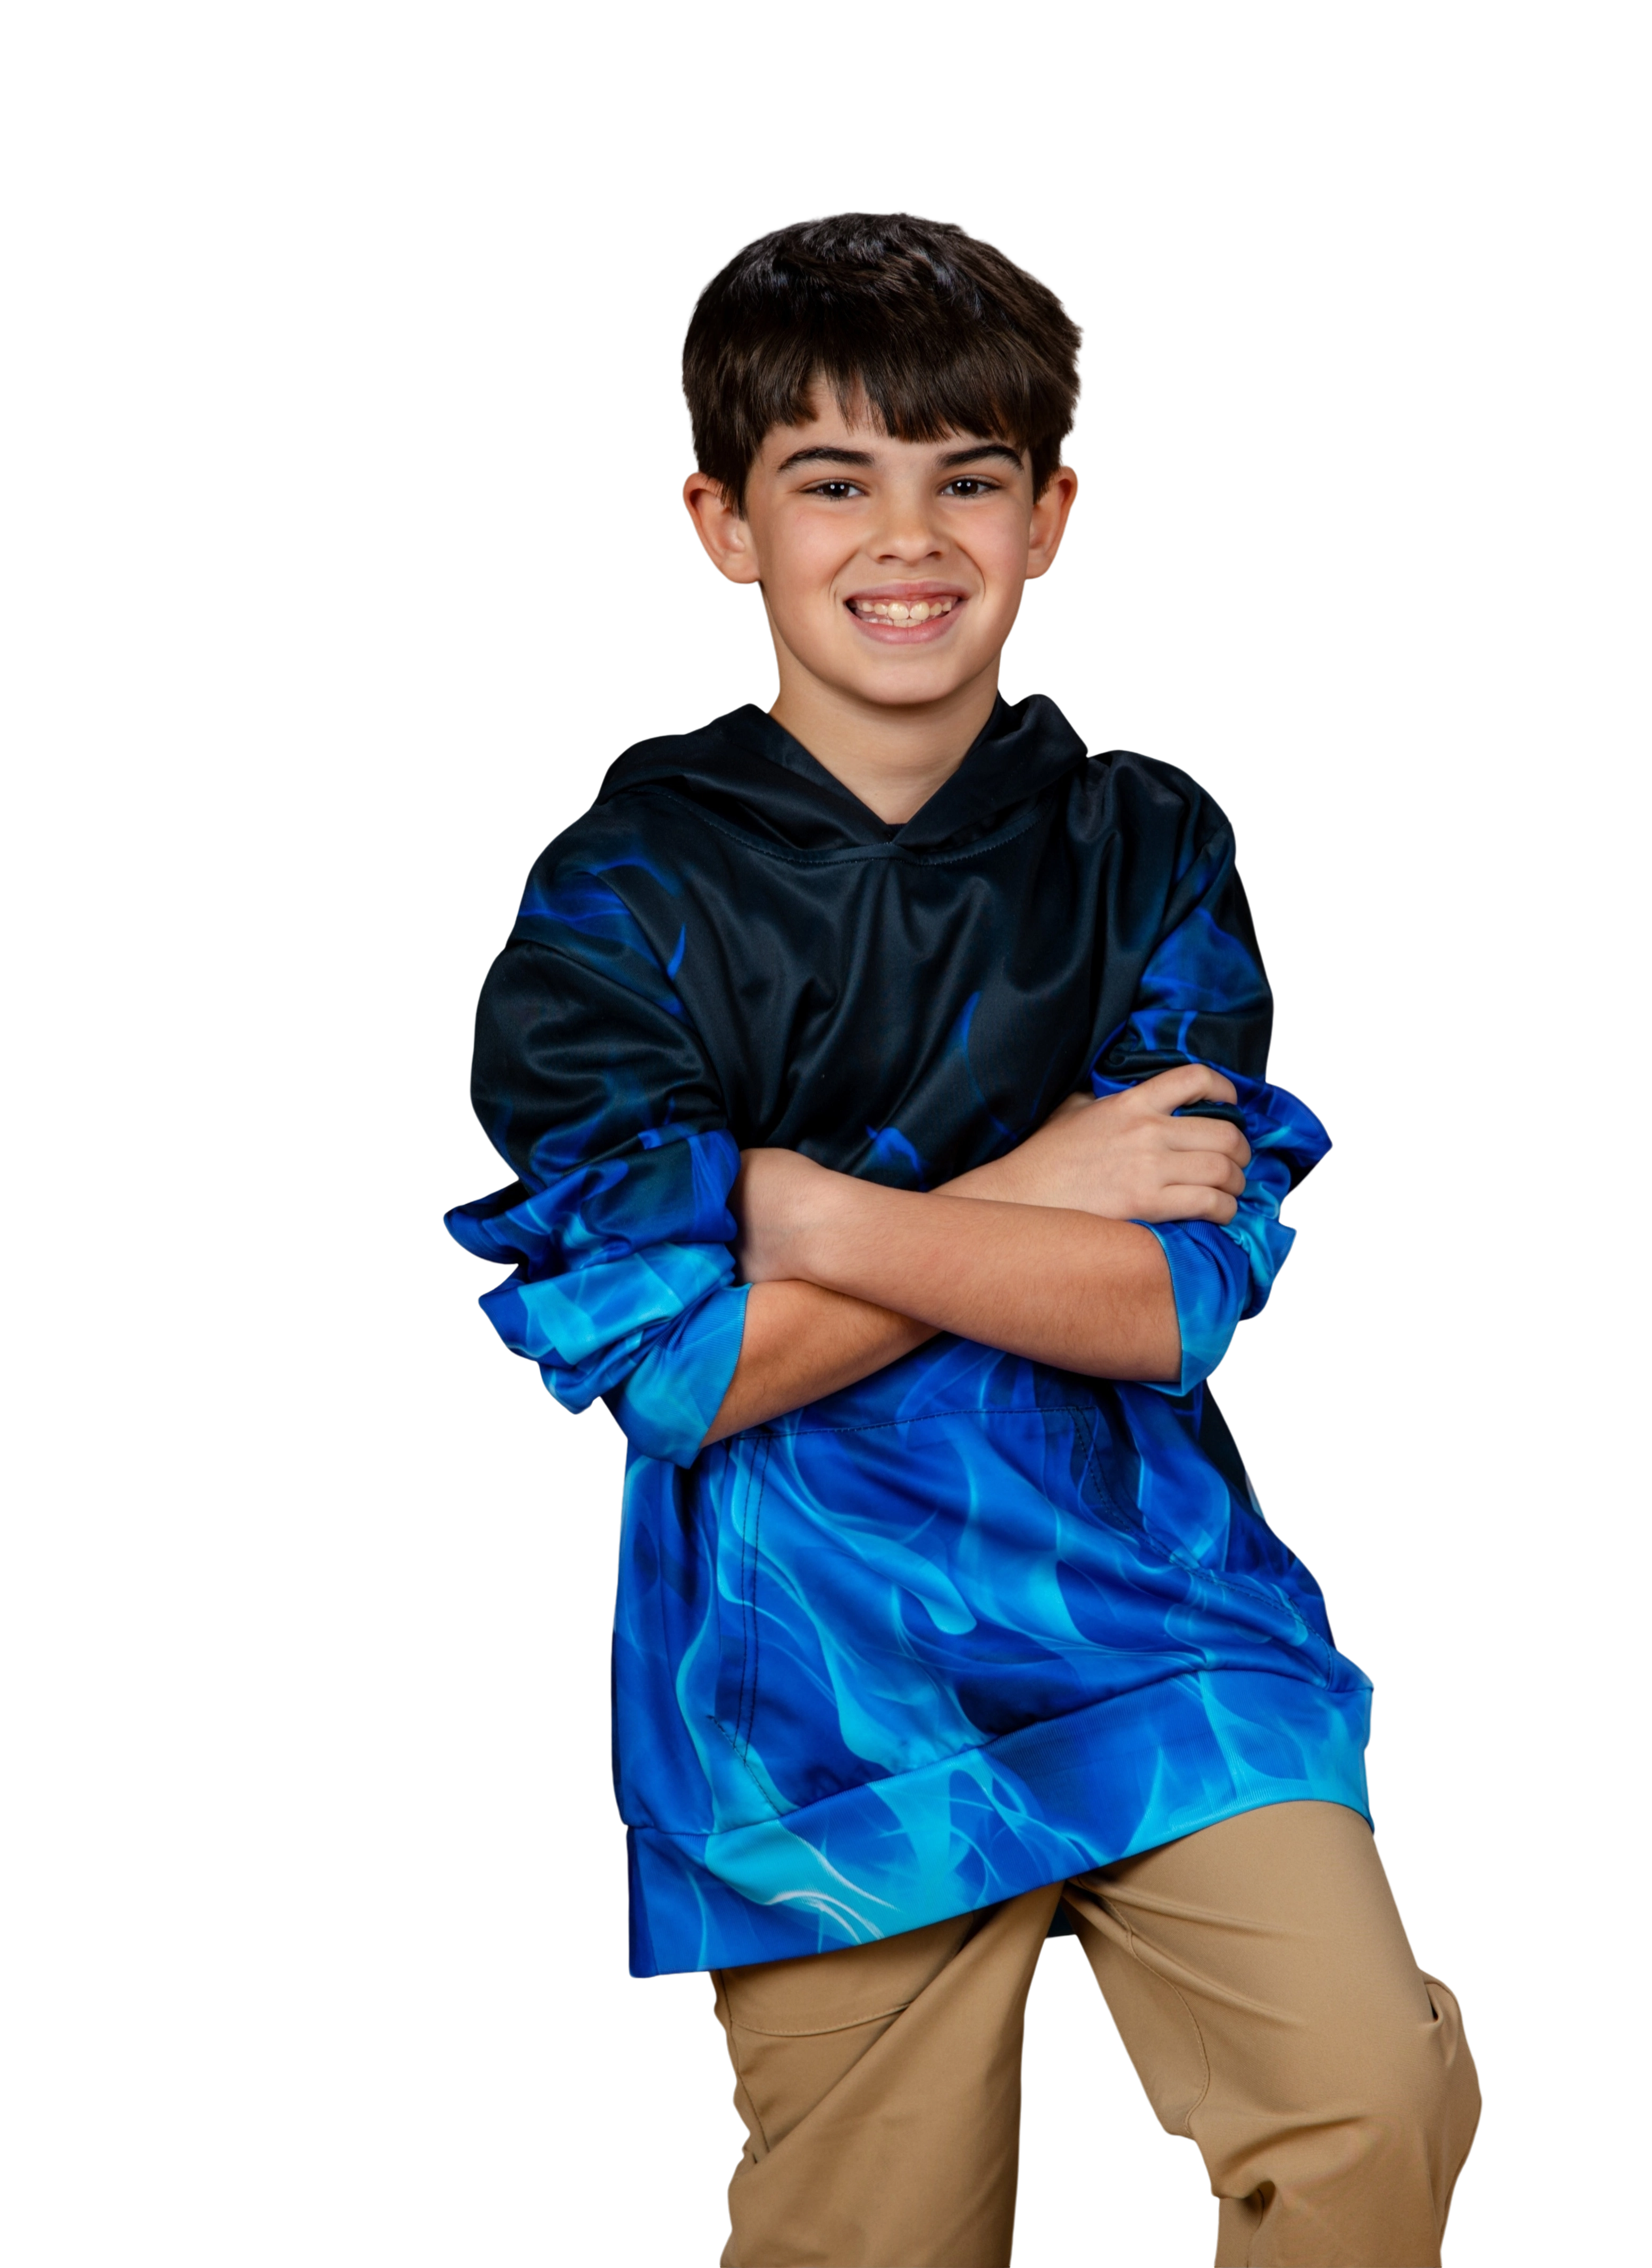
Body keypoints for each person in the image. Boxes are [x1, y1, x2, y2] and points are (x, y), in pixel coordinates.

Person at [445, 209, 1482, 2268]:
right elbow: (687, 1370)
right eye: (832, 480)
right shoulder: (617, 901)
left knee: (1370, 2099)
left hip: (1156, 1619)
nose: (905, 540)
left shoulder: (1145, 844)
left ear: (1050, 515)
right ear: (725, 523)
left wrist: (795, 1201)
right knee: (878, 2238)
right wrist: (1031, 1186)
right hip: (810, 1682)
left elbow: (1167, 1300)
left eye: (967, 478)